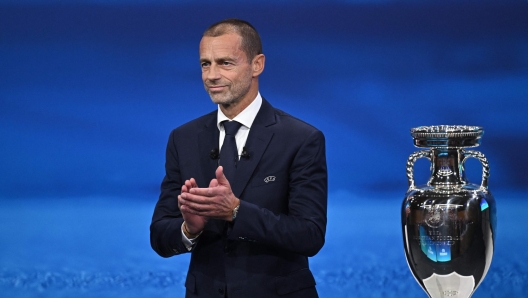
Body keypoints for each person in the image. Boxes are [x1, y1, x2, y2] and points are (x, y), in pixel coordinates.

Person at [150, 18, 327, 298]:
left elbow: (309, 234)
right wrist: (189, 229)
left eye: (225, 63)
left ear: (257, 65)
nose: (211, 75)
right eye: (205, 64)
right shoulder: (183, 138)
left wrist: (235, 211)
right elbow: (159, 235)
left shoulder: (301, 138)